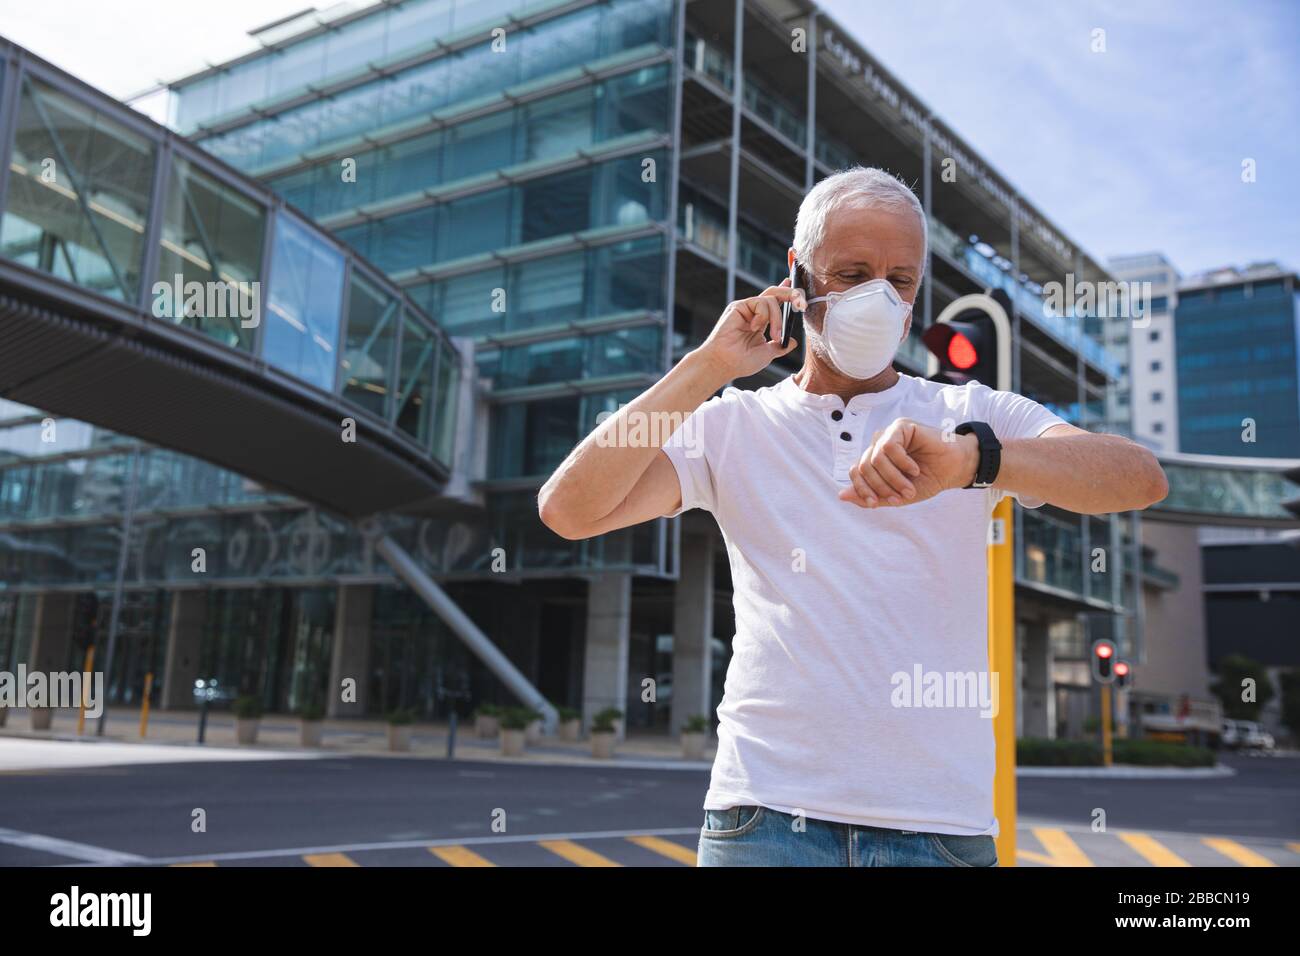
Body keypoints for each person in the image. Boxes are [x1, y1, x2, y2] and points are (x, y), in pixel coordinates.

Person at [538, 166, 1168, 866]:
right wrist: (709, 365)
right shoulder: (733, 423)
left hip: (939, 830)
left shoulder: (970, 417)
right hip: (764, 821)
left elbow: (1139, 479)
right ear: (797, 275)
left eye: (900, 280)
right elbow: (569, 509)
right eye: (853, 272)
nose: (879, 296)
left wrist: (973, 462)